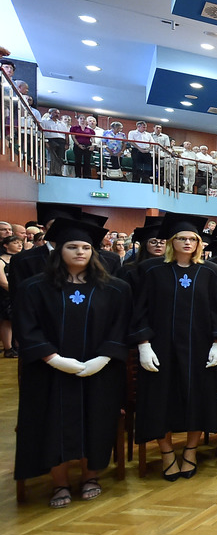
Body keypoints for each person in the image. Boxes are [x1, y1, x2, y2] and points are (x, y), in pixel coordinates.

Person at [13, 217, 130, 507]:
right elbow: (27, 328)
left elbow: (120, 326)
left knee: (96, 420)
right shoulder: (34, 288)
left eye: (86, 247)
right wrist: (54, 359)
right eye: (72, 246)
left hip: (99, 370)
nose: (80, 252)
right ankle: (60, 483)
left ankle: (91, 476)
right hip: (50, 372)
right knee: (52, 423)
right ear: (58, 250)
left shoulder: (115, 289)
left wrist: (103, 357)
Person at [130, 213, 217, 481]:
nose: (187, 243)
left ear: (199, 243)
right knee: (159, 401)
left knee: (198, 399)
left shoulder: (211, 272)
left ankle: (190, 451)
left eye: (193, 239)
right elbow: (140, 310)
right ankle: (166, 453)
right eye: (182, 238)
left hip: (200, 349)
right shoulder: (151, 270)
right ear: (171, 242)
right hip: (161, 349)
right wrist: (144, 344)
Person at [0, 232, 23, 356]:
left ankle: (19, 346)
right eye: (15, 243)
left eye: (20, 243)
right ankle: (8, 348)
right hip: (6, 295)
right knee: (7, 321)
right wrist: (16, 292)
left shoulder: (22, 259)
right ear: (6, 245)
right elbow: (2, 282)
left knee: (20, 320)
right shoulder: (1, 260)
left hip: (20, 294)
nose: (19, 245)